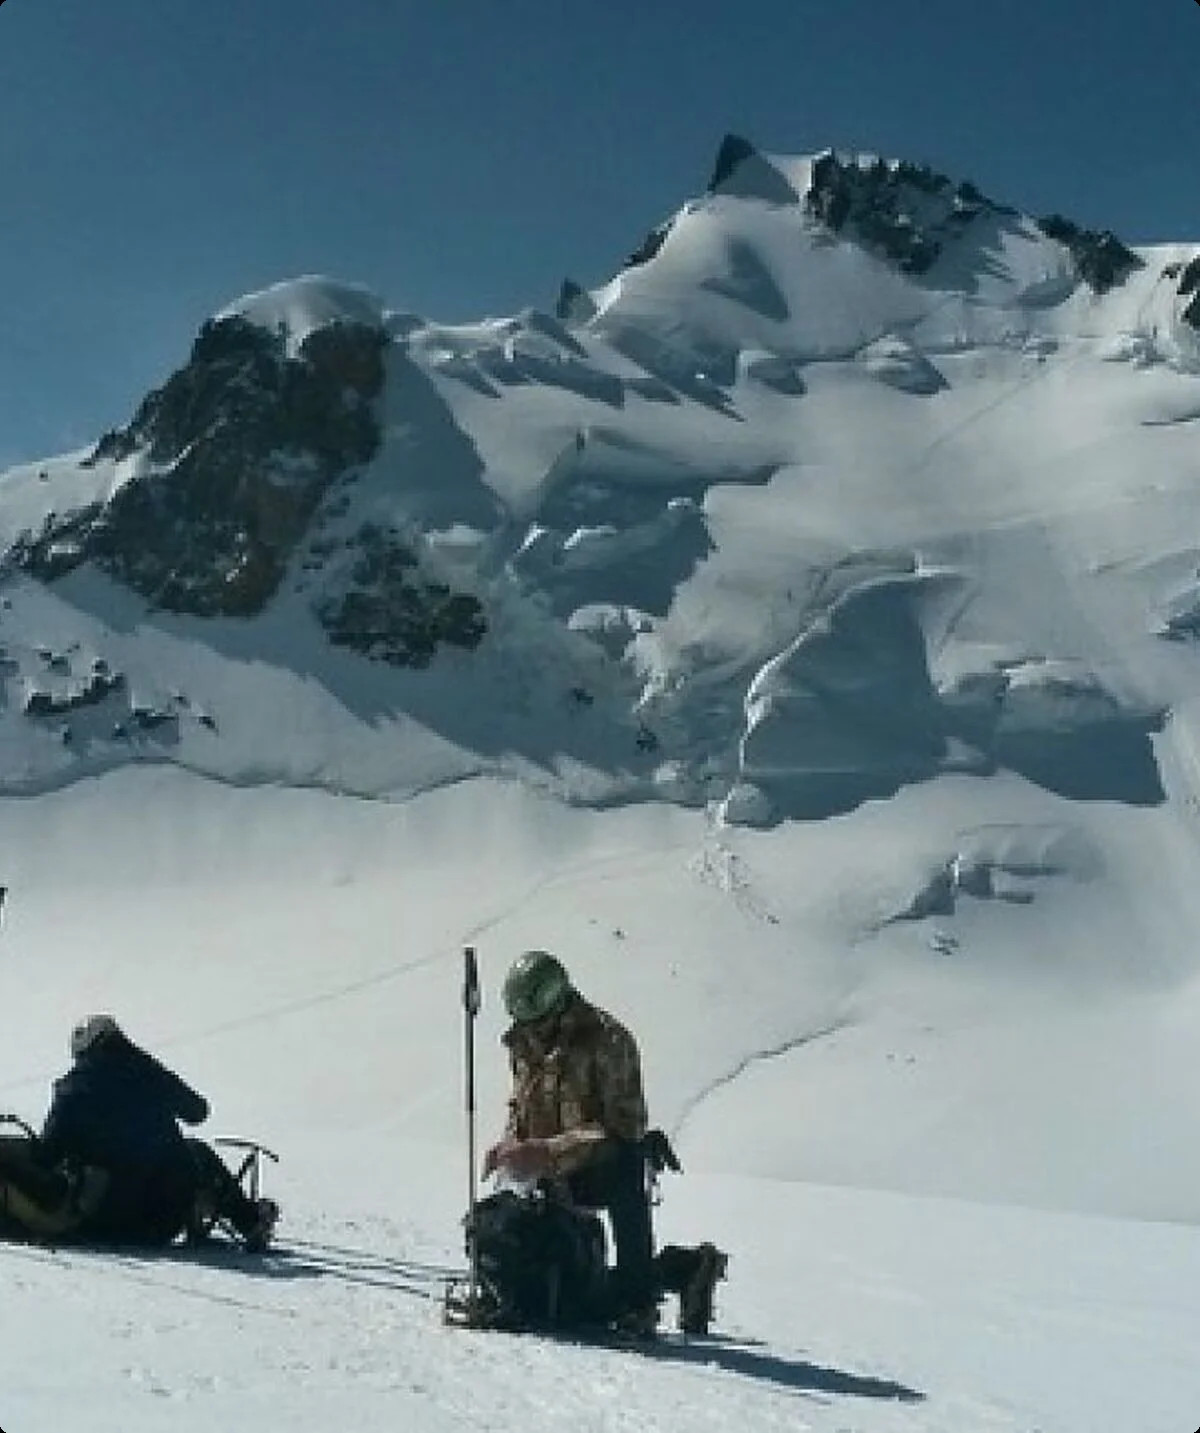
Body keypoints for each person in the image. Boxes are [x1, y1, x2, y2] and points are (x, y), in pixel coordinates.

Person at [482, 950, 659, 1334]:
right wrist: (510, 1145)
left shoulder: (608, 1040)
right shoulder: (525, 1041)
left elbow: (624, 1126)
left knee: (628, 1166)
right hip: (545, 1171)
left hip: (597, 1165)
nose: (531, 1033)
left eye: (538, 1022)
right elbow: (522, 1104)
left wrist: (547, 1152)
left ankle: (640, 1297)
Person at [29, 1014, 278, 1250]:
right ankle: (248, 1221)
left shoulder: (71, 1091)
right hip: (161, 1222)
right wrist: (152, 1071)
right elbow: (197, 1112)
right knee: (194, 1150)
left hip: (99, 1221)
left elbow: (46, 1155)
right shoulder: (148, 1075)